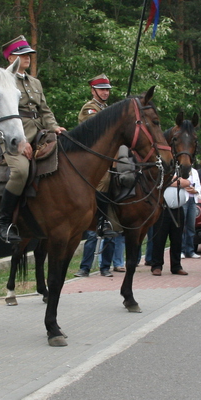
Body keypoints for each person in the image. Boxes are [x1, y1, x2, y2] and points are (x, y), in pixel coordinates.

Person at [0, 35, 64, 242]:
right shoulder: (4, 80)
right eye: (22, 54)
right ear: (10, 58)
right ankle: (3, 223)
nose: (28, 57)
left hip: (40, 133)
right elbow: (3, 115)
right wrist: (19, 142)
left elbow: (44, 110)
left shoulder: (34, 82)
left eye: (29, 54)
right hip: (14, 136)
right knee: (20, 171)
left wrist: (55, 128)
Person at [76, 74, 117, 276]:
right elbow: (96, 131)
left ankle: (106, 266)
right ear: (93, 90)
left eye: (107, 89)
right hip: (97, 170)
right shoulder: (89, 109)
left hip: (111, 169)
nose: (105, 92)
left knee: (109, 223)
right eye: (101, 89)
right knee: (94, 225)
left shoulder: (108, 110)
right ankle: (85, 268)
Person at [149, 163, 194, 277]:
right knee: (159, 239)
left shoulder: (182, 169)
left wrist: (172, 181)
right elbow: (161, 182)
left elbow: (187, 182)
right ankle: (157, 265)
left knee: (177, 239)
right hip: (162, 209)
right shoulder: (161, 168)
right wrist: (177, 181)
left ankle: (176, 266)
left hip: (178, 209)